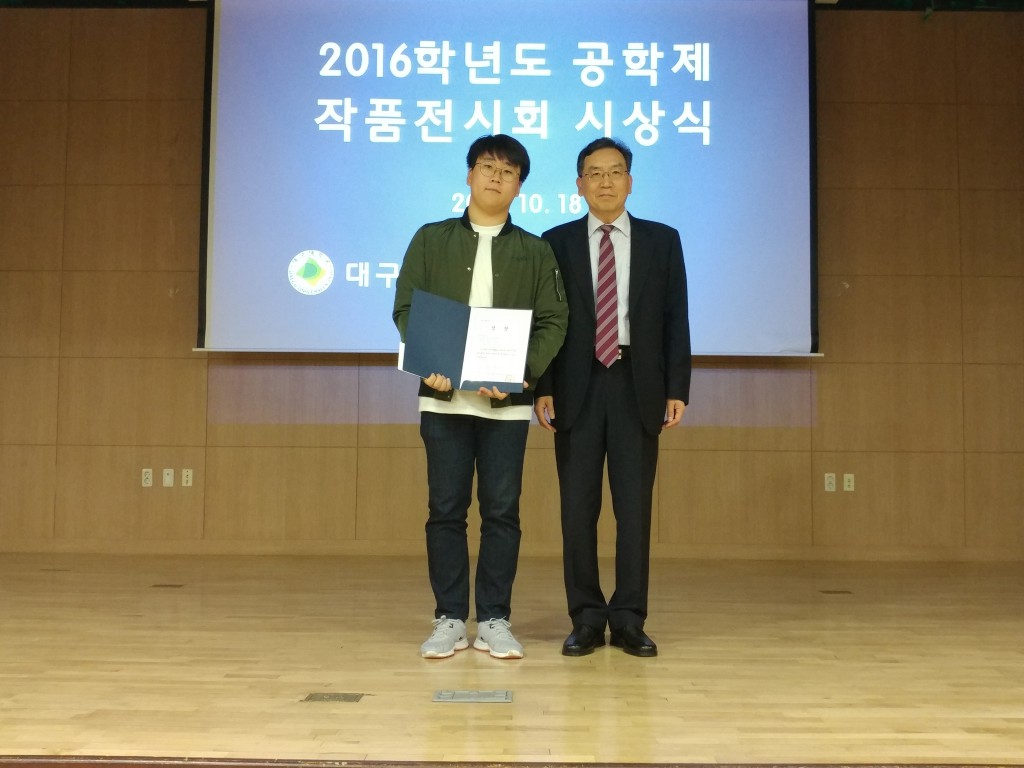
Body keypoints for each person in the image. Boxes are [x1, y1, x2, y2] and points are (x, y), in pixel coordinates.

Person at [393, 134, 568, 660]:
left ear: (520, 187)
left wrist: (521, 373)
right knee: (445, 510)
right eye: (488, 167)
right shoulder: (431, 239)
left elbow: (554, 320)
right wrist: (430, 361)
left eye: (509, 171)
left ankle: (494, 619)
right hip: (442, 398)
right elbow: (406, 308)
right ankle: (449, 618)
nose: (497, 177)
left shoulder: (535, 250)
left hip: (505, 404)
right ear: (469, 175)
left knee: (502, 513)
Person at [534, 137, 690, 658]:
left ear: (630, 181)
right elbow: (545, 321)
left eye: (615, 171)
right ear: (579, 185)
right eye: (594, 173)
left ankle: (628, 617)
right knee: (577, 511)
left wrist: (677, 388)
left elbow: (676, 317)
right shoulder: (554, 242)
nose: (605, 181)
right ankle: (584, 616)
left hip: (636, 384)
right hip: (575, 387)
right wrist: (543, 385)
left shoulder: (661, 240)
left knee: (634, 511)